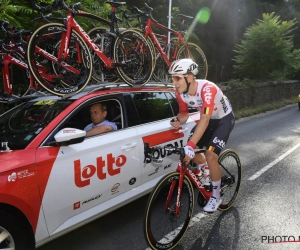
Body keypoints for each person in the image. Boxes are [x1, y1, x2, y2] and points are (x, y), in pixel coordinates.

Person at [169, 58, 235, 213]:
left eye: (177, 78)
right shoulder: (180, 93)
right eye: (172, 78)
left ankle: (216, 195)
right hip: (209, 120)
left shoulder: (207, 89)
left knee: (210, 154)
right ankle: (206, 171)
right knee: (191, 153)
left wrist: (191, 145)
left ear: (190, 77)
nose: (174, 82)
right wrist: (178, 120)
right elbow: (184, 115)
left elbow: (204, 119)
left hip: (224, 119)